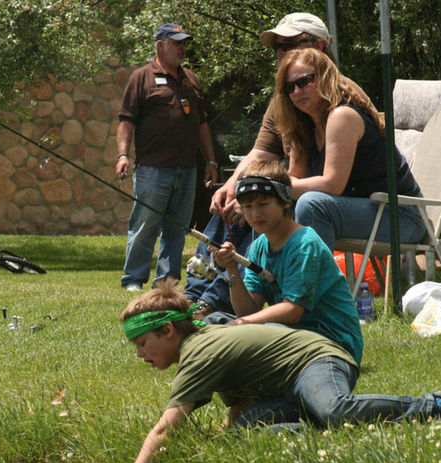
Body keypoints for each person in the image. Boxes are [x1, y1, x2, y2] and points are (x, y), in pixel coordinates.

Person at [92, 282, 441, 463]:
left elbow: (164, 430)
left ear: (169, 332)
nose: (140, 355)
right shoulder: (204, 347)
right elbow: (241, 403)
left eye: (142, 344)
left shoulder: (199, 353)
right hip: (288, 384)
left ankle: (439, 404)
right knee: (242, 432)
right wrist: (231, 427)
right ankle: (310, 434)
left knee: (334, 410)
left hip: (317, 360)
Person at [271, 47, 426, 250]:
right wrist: (265, 193)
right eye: (290, 87)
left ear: (325, 77)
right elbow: (295, 178)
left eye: (304, 81)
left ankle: (314, 281)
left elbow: (332, 185)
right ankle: (266, 281)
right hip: (361, 210)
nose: (297, 91)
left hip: (400, 216)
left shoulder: (342, 116)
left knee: (311, 205)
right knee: (268, 208)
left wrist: (273, 186)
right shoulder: (302, 127)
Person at [212, 159, 363, 366]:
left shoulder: (304, 244)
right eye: (247, 207)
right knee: (215, 321)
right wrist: (231, 269)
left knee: (261, 332)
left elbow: (292, 311)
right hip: (295, 335)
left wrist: (241, 324)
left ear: (284, 201)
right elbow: (247, 312)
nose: (255, 214)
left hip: (333, 343)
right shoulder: (259, 246)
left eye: (263, 204)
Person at [210, 12, 344, 222]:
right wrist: (233, 185)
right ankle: (215, 255)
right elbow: (262, 152)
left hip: (346, 202)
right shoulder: (287, 101)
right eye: (277, 47)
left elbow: (333, 183)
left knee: (261, 206)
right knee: (241, 202)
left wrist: (263, 190)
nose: (281, 53)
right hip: (303, 196)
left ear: (318, 46)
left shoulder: (343, 101)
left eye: (289, 44)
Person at [117, 23, 218, 291]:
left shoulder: (191, 79)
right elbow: (126, 120)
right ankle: (133, 279)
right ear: (160, 45)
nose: (183, 48)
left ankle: (167, 282)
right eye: (177, 43)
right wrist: (123, 155)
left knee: (177, 228)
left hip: (187, 169)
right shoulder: (142, 77)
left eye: (184, 43)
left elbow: (202, 124)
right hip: (153, 168)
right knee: (145, 225)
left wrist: (210, 161)